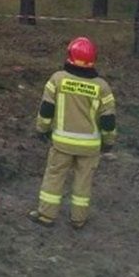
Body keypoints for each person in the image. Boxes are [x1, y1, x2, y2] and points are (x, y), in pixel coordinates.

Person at [29, 36, 117, 229]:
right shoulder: (102, 87)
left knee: (54, 177)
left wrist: (41, 130)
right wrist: (108, 142)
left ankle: (46, 215)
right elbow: (108, 120)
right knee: (83, 184)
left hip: (61, 144)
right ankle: (78, 220)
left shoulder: (57, 79)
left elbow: (46, 109)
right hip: (90, 147)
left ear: (69, 55)